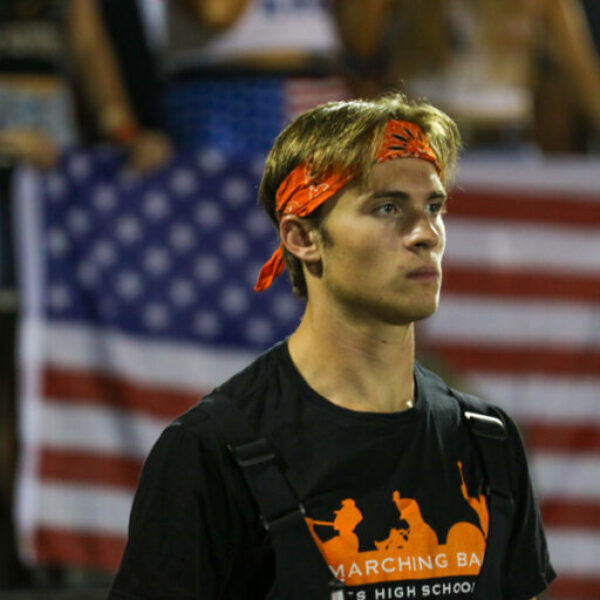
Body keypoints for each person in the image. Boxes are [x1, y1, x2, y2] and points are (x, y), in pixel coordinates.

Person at [108, 93, 556, 599]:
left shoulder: (488, 442)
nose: (425, 234)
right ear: (302, 238)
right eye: (387, 207)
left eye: (434, 207)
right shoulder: (210, 452)